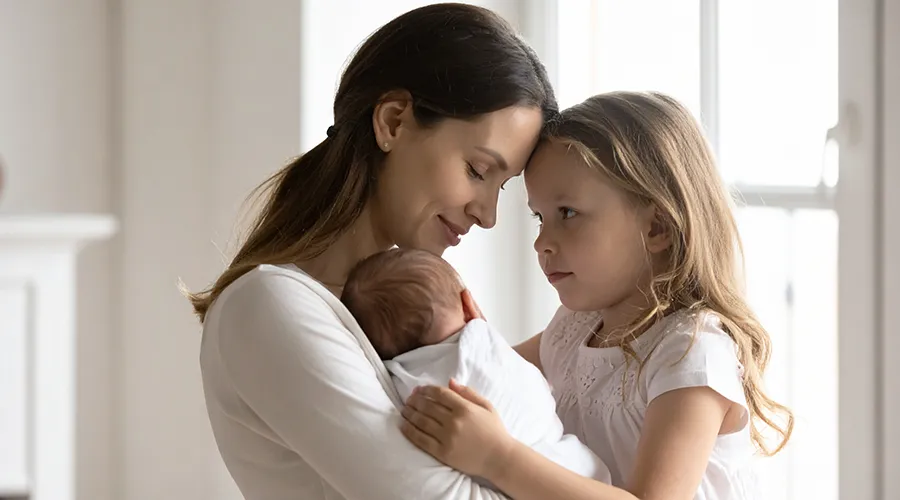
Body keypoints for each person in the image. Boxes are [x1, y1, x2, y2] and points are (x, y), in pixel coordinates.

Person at [184, 3, 557, 499]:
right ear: (394, 121)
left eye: (501, 186)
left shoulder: (401, 323)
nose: (487, 215)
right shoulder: (269, 305)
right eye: (477, 170)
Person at [400, 91, 795, 500]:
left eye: (567, 213)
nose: (541, 243)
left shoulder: (690, 354)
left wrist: (497, 457)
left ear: (657, 228)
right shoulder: (574, 329)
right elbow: (486, 368)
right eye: (540, 218)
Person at [339, 248, 612, 485]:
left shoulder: (397, 378)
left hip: (485, 474)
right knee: (585, 466)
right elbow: (532, 384)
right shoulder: (481, 340)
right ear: (468, 305)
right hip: (554, 467)